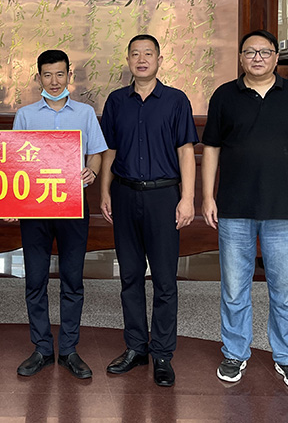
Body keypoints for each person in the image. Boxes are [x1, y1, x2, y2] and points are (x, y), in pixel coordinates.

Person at [201, 29, 288, 391]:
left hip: (284, 209)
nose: (257, 58)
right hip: (234, 208)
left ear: (275, 57)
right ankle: (235, 352)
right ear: (240, 58)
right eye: (250, 52)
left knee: (285, 288)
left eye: (264, 52)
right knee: (234, 288)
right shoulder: (225, 96)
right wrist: (208, 196)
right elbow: (211, 149)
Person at [99, 34, 198, 387]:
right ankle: (136, 347)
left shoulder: (175, 100)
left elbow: (186, 151)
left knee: (165, 280)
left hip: (163, 197)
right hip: (125, 195)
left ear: (159, 60)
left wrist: (187, 198)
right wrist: (105, 191)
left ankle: (163, 354)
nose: (142, 59)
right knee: (129, 276)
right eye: (135, 54)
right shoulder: (116, 101)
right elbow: (109, 150)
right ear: (128, 60)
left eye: (148, 54)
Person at [12, 49, 107, 380]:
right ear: (38, 77)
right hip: (34, 209)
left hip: (73, 206)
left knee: (72, 279)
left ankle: (68, 349)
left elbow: (96, 153)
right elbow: (13, 161)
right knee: (35, 279)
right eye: (47, 75)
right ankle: (41, 347)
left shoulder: (84, 113)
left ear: (70, 76)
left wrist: (92, 171)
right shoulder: (25, 115)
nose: (54, 81)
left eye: (60, 74)